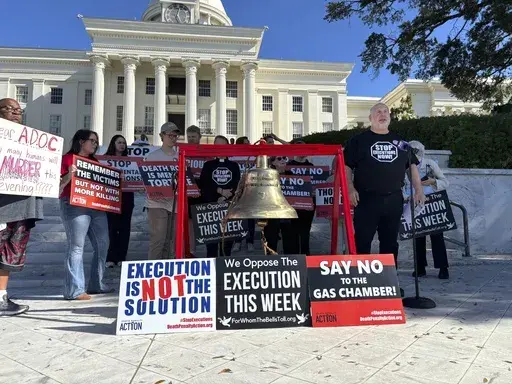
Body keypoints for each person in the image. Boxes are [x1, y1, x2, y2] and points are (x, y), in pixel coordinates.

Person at [344, 103, 425, 296]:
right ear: (370, 117)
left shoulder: (400, 142)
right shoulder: (359, 141)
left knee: (390, 243)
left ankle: (389, 282)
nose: (382, 115)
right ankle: (360, 284)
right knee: (362, 241)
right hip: (366, 199)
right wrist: (349, 187)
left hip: (394, 199)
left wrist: (419, 190)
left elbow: (411, 166)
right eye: (378, 112)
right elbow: (346, 166)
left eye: (386, 112)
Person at [0, 98, 44, 316]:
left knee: (8, 256)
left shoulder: (31, 140)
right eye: (10, 109)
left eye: (18, 110)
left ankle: (1, 298)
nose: (16, 113)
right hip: (2, 206)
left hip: (21, 206)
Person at [59, 129, 112, 300]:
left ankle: (97, 284)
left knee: (103, 244)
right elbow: (57, 186)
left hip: (96, 206)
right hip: (74, 206)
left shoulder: (95, 162)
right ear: (81, 142)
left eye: (96, 142)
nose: (95, 144)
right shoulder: (67, 159)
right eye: (92, 141)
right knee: (76, 247)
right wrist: (69, 175)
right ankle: (75, 290)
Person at [405, 140, 450, 279]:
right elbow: (402, 185)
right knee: (417, 236)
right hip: (415, 203)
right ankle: (420, 267)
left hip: (432, 202)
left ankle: (443, 268)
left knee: (437, 236)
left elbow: (445, 182)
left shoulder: (430, 164)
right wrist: (406, 197)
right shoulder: (404, 166)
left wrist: (433, 181)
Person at [199, 135, 240, 257]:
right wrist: (220, 191)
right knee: (211, 246)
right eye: (216, 145)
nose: (219, 148)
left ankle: (224, 272)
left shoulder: (234, 165)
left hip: (228, 207)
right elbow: (204, 183)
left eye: (222, 145)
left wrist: (226, 196)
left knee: (226, 246)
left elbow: (237, 184)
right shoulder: (208, 165)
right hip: (210, 208)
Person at [145, 122, 180, 260]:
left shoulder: (180, 157)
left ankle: (168, 271)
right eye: (170, 135)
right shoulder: (152, 156)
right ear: (161, 136)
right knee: (158, 240)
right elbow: (145, 180)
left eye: (175, 135)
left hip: (174, 203)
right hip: (156, 203)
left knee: (171, 241)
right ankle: (152, 272)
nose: (173, 137)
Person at [104, 135, 134, 267]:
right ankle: (110, 257)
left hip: (127, 198)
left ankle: (122, 257)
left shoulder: (131, 161)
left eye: (124, 143)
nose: (122, 145)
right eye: (119, 142)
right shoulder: (105, 160)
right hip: (110, 197)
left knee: (124, 229)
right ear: (113, 144)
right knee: (111, 228)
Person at [286, 141, 316, 255]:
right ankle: (295, 254)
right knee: (294, 229)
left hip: (308, 203)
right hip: (293, 204)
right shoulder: (288, 166)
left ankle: (305, 253)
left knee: (306, 229)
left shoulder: (311, 167)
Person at [263, 156, 296, 254]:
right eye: (279, 158)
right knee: (271, 239)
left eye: (284, 158)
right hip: (272, 213)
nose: (283, 160)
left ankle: (289, 261)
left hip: (287, 212)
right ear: (272, 163)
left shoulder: (291, 174)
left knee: (289, 240)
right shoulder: (267, 175)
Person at [232, 136, 256, 252]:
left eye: (249, 143)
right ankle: (237, 241)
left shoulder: (253, 157)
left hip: (250, 189)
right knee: (238, 217)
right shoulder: (234, 157)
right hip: (238, 189)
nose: (248, 145)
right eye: (245, 143)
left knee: (250, 217)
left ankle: (250, 241)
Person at [185, 125, 202, 256]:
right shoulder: (183, 151)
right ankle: (191, 250)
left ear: (199, 137)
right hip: (188, 189)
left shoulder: (204, 151)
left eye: (193, 137)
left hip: (202, 189)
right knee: (189, 221)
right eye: (189, 137)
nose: (191, 139)